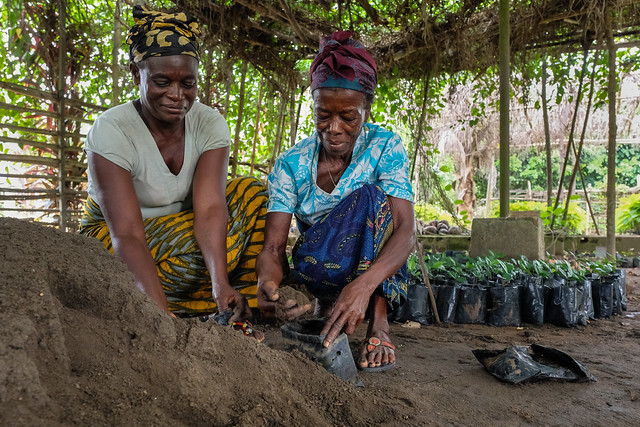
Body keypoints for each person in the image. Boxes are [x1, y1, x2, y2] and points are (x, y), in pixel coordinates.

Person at [79, 5, 265, 341]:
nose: (177, 95)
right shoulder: (111, 131)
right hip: (121, 239)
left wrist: (220, 283)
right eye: (162, 81)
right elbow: (128, 234)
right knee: (194, 252)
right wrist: (161, 321)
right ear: (137, 76)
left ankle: (228, 304)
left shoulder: (209, 124)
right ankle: (167, 305)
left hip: (187, 227)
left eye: (188, 83)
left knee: (253, 195)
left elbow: (209, 207)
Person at [256, 31, 416, 371]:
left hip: (376, 270)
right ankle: (324, 305)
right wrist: (268, 285)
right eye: (323, 115)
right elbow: (273, 249)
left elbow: (406, 232)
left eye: (348, 117)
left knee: (371, 198)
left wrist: (363, 287)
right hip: (319, 265)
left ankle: (379, 322)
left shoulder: (384, 147)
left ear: (367, 111)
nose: (334, 128)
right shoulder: (292, 163)